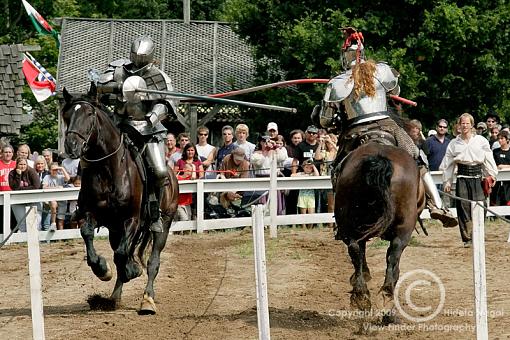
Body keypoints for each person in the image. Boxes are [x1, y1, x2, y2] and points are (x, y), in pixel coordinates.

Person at [316, 27, 456, 228]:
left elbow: (325, 121)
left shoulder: (337, 83)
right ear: (364, 53)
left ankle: (342, 218)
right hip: (387, 125)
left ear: (344, 57)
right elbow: (395, 90)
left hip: (355, 130)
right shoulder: (381, 71)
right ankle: (438, 205)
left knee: (339, 169)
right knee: (416, 157)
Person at [96, 36, 179, 233]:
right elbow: (99, 88)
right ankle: (86, 205)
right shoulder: (118, 69)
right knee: (93, 156)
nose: (138, 60)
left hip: (148, 130)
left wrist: (153, 115)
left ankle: (154, 212)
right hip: (120, 125)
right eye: (136, 55)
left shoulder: (159, 77)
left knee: (159, 171)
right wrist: (117, 87)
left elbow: (168, 103)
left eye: (142, 57)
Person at [440, 113, 498, 247]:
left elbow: (488, 158)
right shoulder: (454, 143)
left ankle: (478, 235)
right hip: (462, 178)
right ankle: (467, 239)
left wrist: (492, 174)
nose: (464, 126)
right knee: (463, 208)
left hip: (478, 177)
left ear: (472, 125)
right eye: (462, 123)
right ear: (459, 125)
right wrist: (447, 181)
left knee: (480, 206)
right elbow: (448, 163)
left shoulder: (481, 141)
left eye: (467, 123)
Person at [8, 157, 41, 232]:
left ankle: (37, 242)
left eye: (24, 164)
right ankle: (24, 242)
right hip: (18, 201)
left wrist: (21, 189)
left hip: (32, 199)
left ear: (27, 164)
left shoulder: (31, 171)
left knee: (35, 223)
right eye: (20, 164)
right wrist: (18, 175)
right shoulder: (12, 173)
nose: (22, 166)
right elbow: (14, 187)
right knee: (22, 224)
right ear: (16, 165)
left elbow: (36, 186)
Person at [291, 158, 319, 228]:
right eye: (306, 167)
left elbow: (317, 175)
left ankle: (310, 228)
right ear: (303, 167)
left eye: (310, 168)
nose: (308, 169)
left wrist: (313, 166)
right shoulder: (301, 174)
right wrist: (303, 176)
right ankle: (303, 228)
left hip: (311, 196)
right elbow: (292, 175)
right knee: (303, 214)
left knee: (311, 214)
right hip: (302, 196)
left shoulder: (313, 174)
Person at [42, 162, 71, 231]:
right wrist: (57, 188)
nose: (55, 171)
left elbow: (68, 178)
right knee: (53, 204)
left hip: (62, 200)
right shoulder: (47, 177)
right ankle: (53, 223)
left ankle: (60, 238)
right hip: (51, 199)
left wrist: (61, 168)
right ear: (49, 170)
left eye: (56, 169)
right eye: (53, 169)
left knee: (61, 221)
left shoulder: (60, 177)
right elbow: (44, 187)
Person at [492, 131, 510, 206]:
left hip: (508, 182)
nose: (500, 140)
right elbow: (491, 164)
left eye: (502, 138)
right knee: (495, 199)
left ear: (507, 140)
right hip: (497, 180)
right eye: (498, 139)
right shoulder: (495, 152)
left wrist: (504, 166)